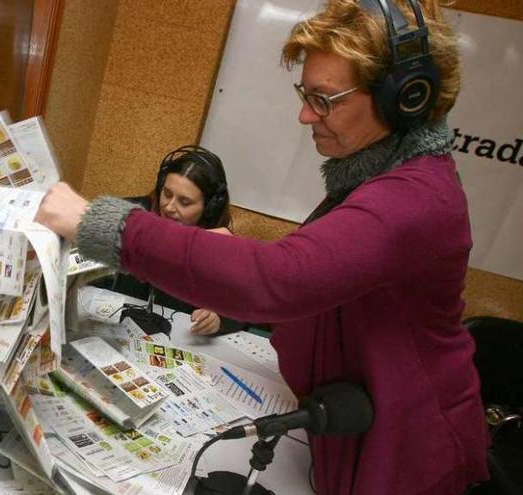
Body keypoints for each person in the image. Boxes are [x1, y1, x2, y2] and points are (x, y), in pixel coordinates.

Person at [35, 1, 489, 493]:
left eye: (325, 99)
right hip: (352, 422)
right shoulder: (373, 176)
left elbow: (281, 279)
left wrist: (94, 223)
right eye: (305, 94)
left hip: (407, 452)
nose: (305, 114)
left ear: (405, 98)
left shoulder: (414, 198)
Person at [92, 145, 244, 336]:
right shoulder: (130, 217)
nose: (170, 207)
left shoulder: (219, 242)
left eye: (185, 202)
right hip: (114, 331)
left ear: (209, 208)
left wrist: (220, 318)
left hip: (177, 341)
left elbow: (245, 305)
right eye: (167, 194)